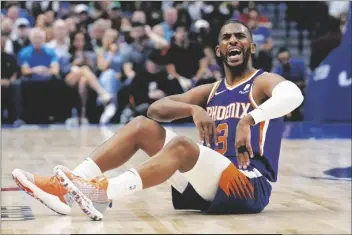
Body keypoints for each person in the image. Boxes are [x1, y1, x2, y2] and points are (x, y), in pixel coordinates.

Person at [12, 20, 304, 220]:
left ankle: (104, 191)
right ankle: (64, 190)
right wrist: (192, 109)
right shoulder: (212, 90)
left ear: (251, 48)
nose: (233, 40)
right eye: (226, 37)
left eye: (240, 36)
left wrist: (250, 119)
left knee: (181, 145)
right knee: (141, 125)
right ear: (219, 51)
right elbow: (156, 109)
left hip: (247, 184)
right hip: (205, 184)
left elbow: (293, 95)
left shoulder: (263, 82)